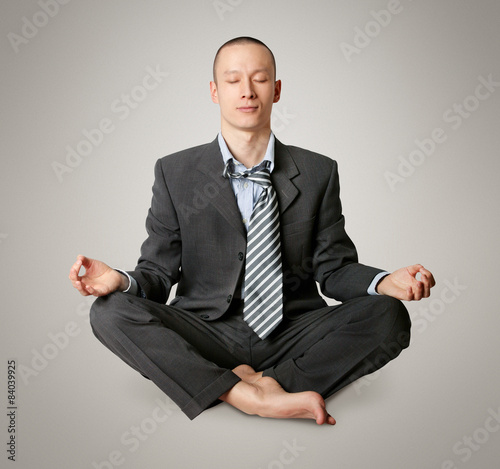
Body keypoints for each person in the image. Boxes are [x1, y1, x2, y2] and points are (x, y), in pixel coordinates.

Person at [69, 37, 435, 426]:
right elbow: (158, 276)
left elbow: (334, 269)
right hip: (206, 331)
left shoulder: (318, 172)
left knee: (389, 317)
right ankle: (246, 394)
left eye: (260, 79)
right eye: (232, 81)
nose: (247, 91)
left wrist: (382, 281)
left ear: (276, 90)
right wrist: (120, 281)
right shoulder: (174, 172)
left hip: (291, 331)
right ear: (214, 91)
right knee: (108, 312)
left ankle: (267, 382)